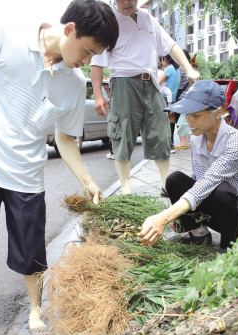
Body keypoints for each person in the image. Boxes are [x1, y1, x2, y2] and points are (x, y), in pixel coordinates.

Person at [0, 0, 119, 335]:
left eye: (93, 58)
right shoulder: (4, 37)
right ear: (69, 29)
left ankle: (36, 313)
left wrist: (89, 182)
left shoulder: (73, 83)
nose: (87, 62)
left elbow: (65, 139)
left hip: (26, 176)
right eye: (87, 51)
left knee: (32, 251)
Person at [138, 80, 238, 252]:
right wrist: (178, 211)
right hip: (219, 211)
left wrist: (164, 218)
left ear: (218, 113)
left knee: (221, 190)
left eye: (196, 116)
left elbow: (209, 182)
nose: (189, 121)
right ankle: (198, 233)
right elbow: (198, 179)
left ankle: (231, 246)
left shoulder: (236, 143)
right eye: (187, 115)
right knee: (175, 179)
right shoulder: (197, 138)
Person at [90, 0, 199, 195]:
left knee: (162, 132)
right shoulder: (109, 22)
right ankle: (125, 187)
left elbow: (171, 46)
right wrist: (98, 95)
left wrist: (189, 68)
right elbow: (97, 62)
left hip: (151, 83)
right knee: (122, 133)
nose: (126, 2)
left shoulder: (149, 19)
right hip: (123, 82)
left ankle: (167, 184)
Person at [158, 55, 180, 153]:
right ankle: (171, 145)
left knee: (162, 123)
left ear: (165, 59)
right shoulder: (177, 70)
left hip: (164, 98)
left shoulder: (168, 69)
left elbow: (158, 82)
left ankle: (164, 146)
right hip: (173, 98)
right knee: (171, 122)